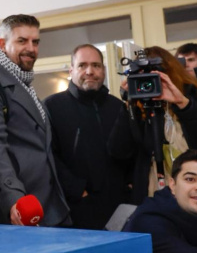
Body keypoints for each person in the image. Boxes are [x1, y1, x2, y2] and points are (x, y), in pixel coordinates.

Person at [0, 14, 70, 227]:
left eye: (35, 41)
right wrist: (14, 200)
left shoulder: (23, 83)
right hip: (12, 214)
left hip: (46, 209)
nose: (31, 48)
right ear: (2, 44)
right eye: (22, 41)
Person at [109, 46, 197, 205]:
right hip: (153, 191)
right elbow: (118, 151)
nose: (148, 82)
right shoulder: (138, 108)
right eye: (142, 77)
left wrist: (183, 104)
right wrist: (128, 105)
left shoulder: (192, 95)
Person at [44, 44, 132, 230]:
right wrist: (78, 191)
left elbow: (128, 152)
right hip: (73, 210)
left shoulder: (118, 106)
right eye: (82, 65)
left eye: (96, 65)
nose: (90, 71)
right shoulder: (51, 106)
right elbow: (48, 156)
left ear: (104, 70)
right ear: (71, 70)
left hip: (119, 208)